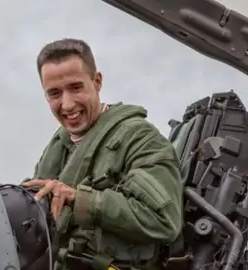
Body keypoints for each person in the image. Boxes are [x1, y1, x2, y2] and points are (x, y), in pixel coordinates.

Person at [22, 38, 183, 270]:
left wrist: (79, 199)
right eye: (55, 93)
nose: (67, 105)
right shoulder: (60, 143)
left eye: (76, 88)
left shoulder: (139, 139)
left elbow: (164, 220)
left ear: (97, 82)